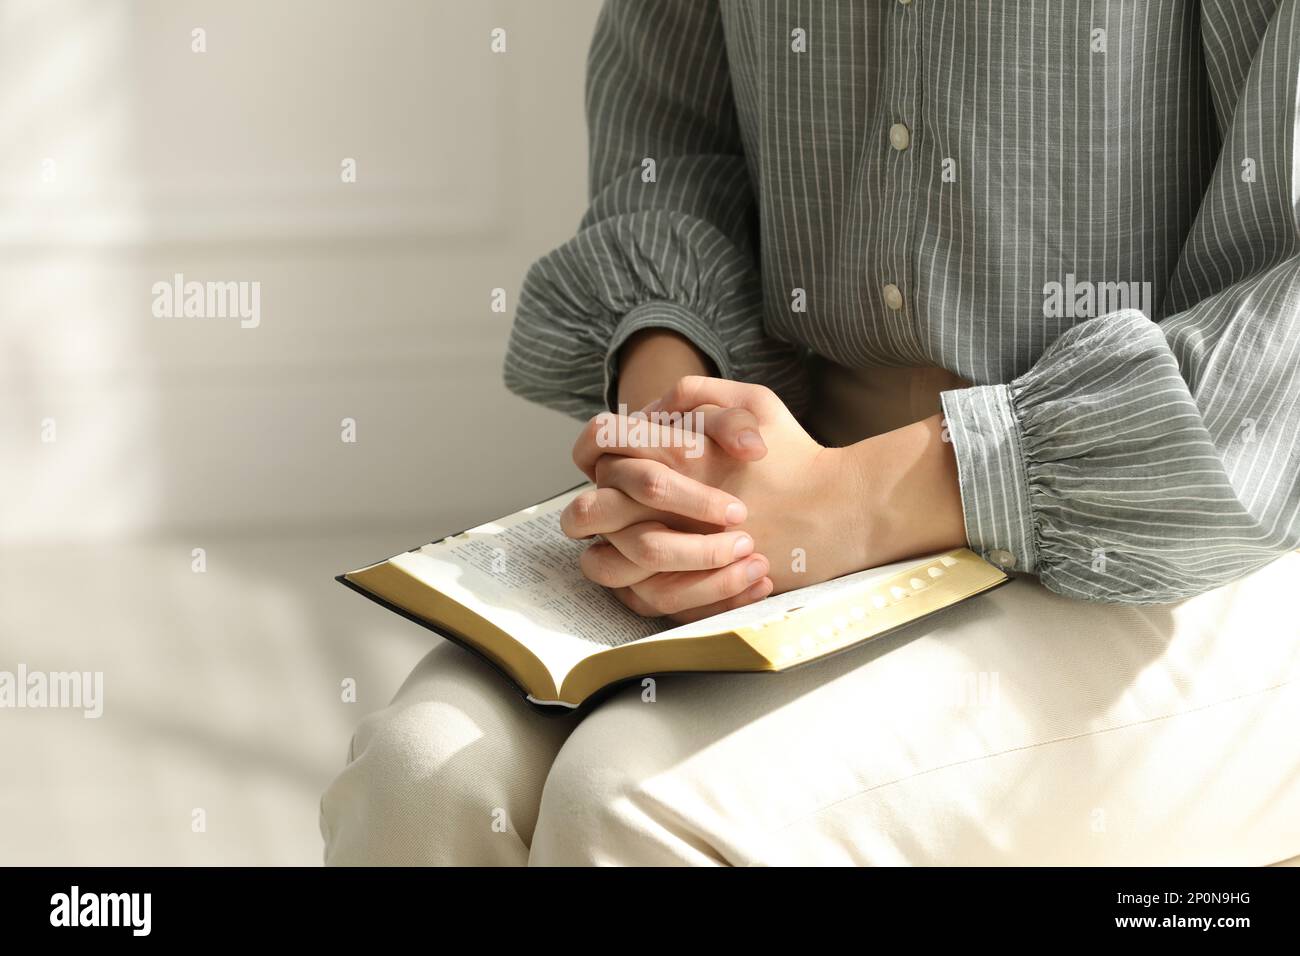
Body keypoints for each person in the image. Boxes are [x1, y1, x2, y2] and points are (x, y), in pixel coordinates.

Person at [321, 0, 1300, 865]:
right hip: (788, 464)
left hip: (1189, 522)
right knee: (423, 783)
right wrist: (683, 438)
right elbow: (671, 141)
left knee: (631, 810)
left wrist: (852, 499)